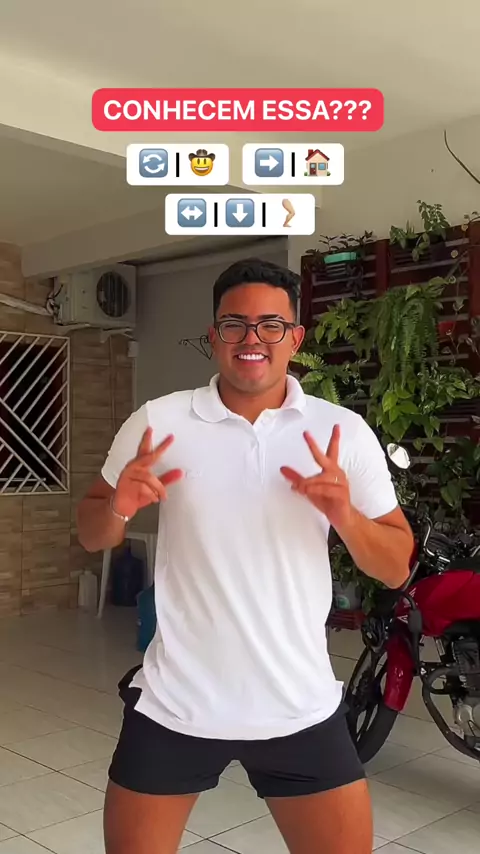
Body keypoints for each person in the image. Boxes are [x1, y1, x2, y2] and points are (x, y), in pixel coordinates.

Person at [77, 258, 413, 854]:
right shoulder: (158, 421)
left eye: (270, 324)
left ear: (295, 338)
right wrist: (119, 508)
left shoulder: (341, 432)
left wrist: (347, 517)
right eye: (234, 323)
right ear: (214, 336)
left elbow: (394, 567)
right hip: (176, 705)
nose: (251, 338)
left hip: (298, 706)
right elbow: (90, 533)